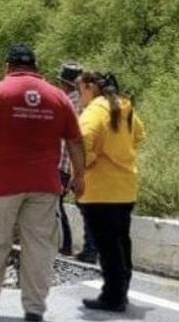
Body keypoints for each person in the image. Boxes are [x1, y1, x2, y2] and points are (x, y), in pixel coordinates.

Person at [0, 44, 85, 322]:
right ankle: (35, 309)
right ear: (36, 68)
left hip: (0, 184)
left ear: (7, 67)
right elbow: (75, 140)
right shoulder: (58, 98)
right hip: (45, 186)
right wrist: (79, 175)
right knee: (40, 248)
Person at [76, 71, 146, 312]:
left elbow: (81, 140)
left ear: (89, 88)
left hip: (100, 189)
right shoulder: (125, 107)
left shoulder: (95, 111)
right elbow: (139, 135)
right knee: (121, 242)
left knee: (107, 245)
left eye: (79, 90)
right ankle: (121, 291)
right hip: (125, 188)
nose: (79, 96)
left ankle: (112, 297)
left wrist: (91, 159)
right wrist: (122, 155)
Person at [55, 62, 96, 262]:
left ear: (64, 84)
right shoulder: (88, 104)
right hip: (85, 163)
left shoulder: (64, 103)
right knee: (85, 206)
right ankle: (91, 249)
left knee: (55, 203)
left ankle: (65, 245)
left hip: (64, 162)